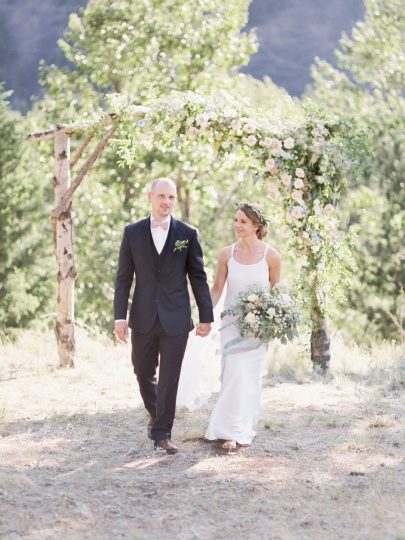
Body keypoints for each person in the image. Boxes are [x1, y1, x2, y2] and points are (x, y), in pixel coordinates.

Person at [114, 178, 213, 454]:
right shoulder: (132, 232)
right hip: (143, 316)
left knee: (170, 376)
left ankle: (162, 434)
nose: (166, 202)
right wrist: (119, 317)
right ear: (150, 197)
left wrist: (206, 316)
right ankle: (156, 412)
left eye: (171, 197)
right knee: (142, 370)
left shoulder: (187, 233)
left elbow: (198, 276)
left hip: (176, 318)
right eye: (161, 196)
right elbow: (123, 279)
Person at [205, 202, 281, 450]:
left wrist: (272, 321)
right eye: (235, 220)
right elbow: (217, 288)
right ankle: (229, 432)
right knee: (232, 373)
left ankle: (242, 427)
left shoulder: (271, 256)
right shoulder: (227, 254)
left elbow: (275, 294)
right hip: (230, 324)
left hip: (258, 328)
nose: (237, 225)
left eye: (243, 222)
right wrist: (205, 315)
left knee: (249, 377)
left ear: (256, 225)